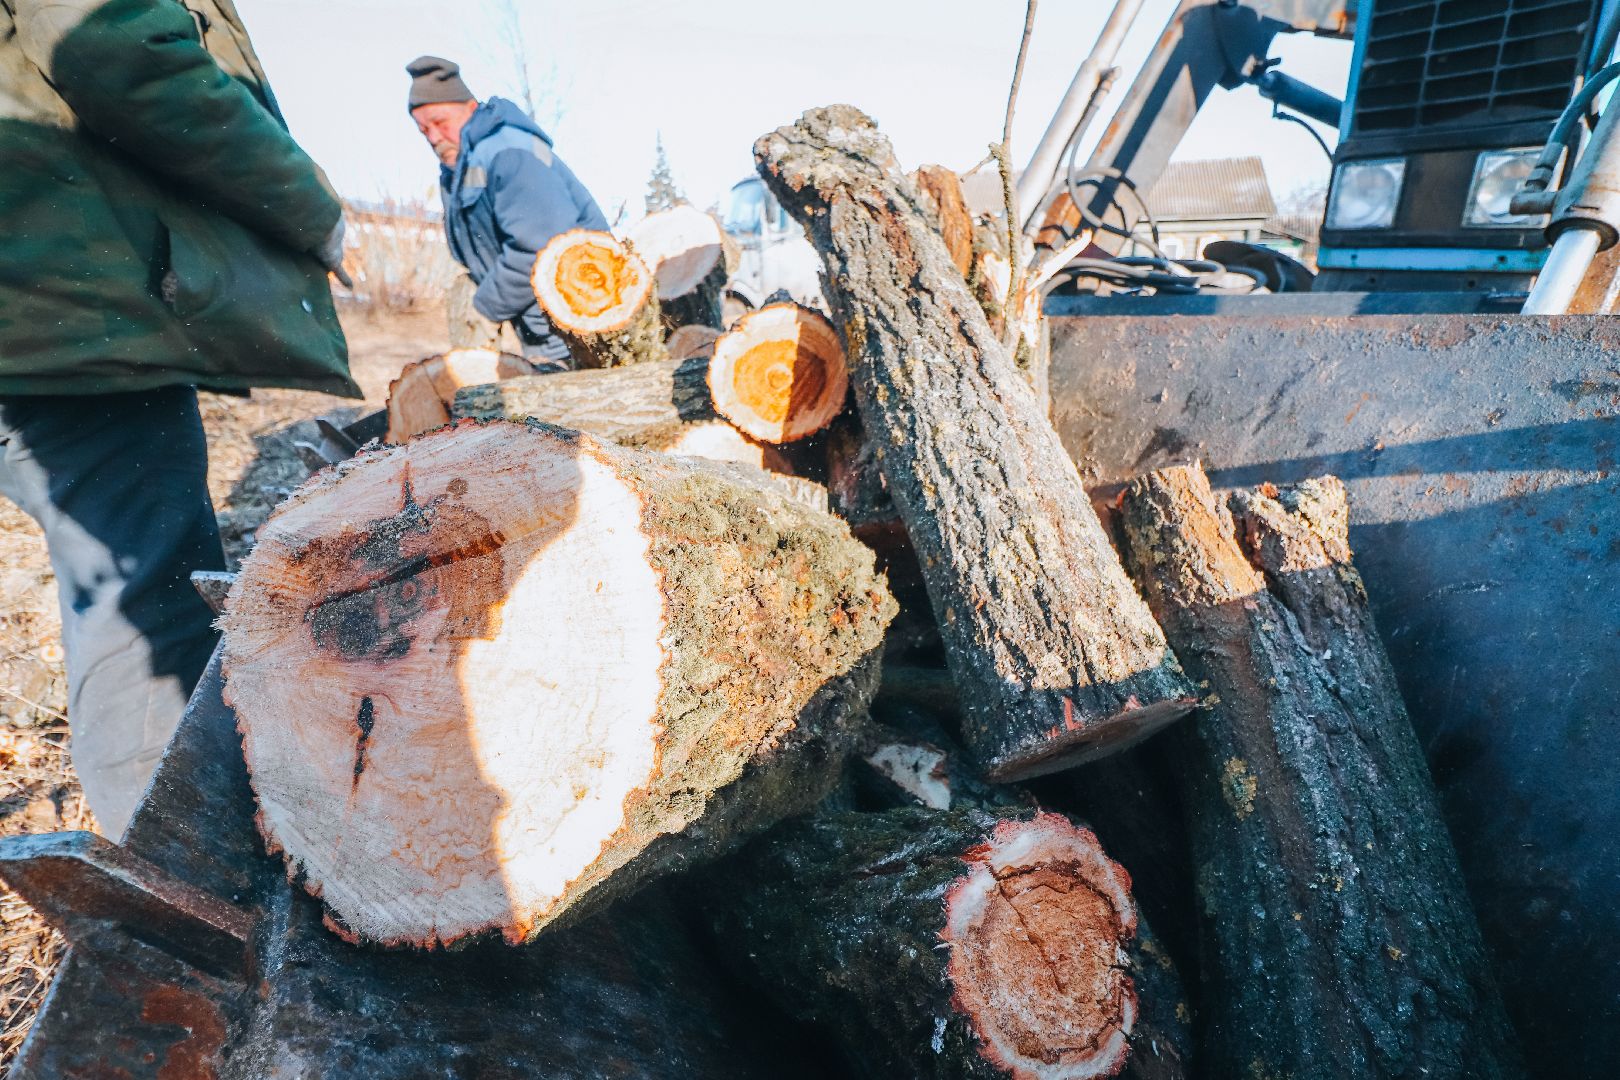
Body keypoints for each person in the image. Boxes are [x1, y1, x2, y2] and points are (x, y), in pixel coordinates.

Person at [0, 0, 357, 836]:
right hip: (62, 318)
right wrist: (313, 207)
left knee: (112, 576)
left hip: (37, 306)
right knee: (146, 603)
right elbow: (122, 49)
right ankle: (185, 878)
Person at [407, 56, 608, 369]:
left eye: (441, 124)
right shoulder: (463, 165)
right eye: (423, 130)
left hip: (581, 318)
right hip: (543, 327)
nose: (433, 138)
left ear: (470, 108)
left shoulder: (508, 152)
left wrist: (485, 306)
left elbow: (541, 249)